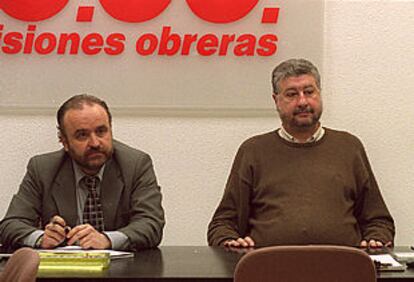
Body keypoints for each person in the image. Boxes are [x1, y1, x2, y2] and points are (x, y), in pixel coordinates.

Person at [207, 58, 394, 249]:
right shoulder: (253, 150)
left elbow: (379, 221)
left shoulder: (349, 147)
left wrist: (376, 240)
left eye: (309, 92)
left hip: (341, 269)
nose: (302, 101)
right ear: (276, 100)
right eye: (292, 94)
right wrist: (228, 241)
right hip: (268, 270)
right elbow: (222, 224)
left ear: (319, 94)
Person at [0, 94, 165, 251]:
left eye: (101, 131)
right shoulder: (42, 168)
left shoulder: (135, 164)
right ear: (64, 142)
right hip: (63, 274)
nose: (94, 143)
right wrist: (41, 237)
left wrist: (107, 239)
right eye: (82, 135)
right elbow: (11, 224)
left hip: (123, 273)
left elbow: (151, 223)